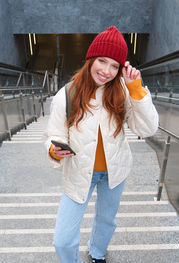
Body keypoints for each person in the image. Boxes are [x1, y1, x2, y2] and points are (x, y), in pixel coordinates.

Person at [44, 26, 159, 263]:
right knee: (63, 240)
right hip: (78, 172)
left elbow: (147, 129)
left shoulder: (123, 93)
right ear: (90, 59)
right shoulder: (66, 95)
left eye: (114, 65)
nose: (107, 71)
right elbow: (54, 134)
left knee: (106, 220)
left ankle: (97, 254)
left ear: (120, 69)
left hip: (114, 172)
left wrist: (135, 88)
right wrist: (54, 150)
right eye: (102, 61)